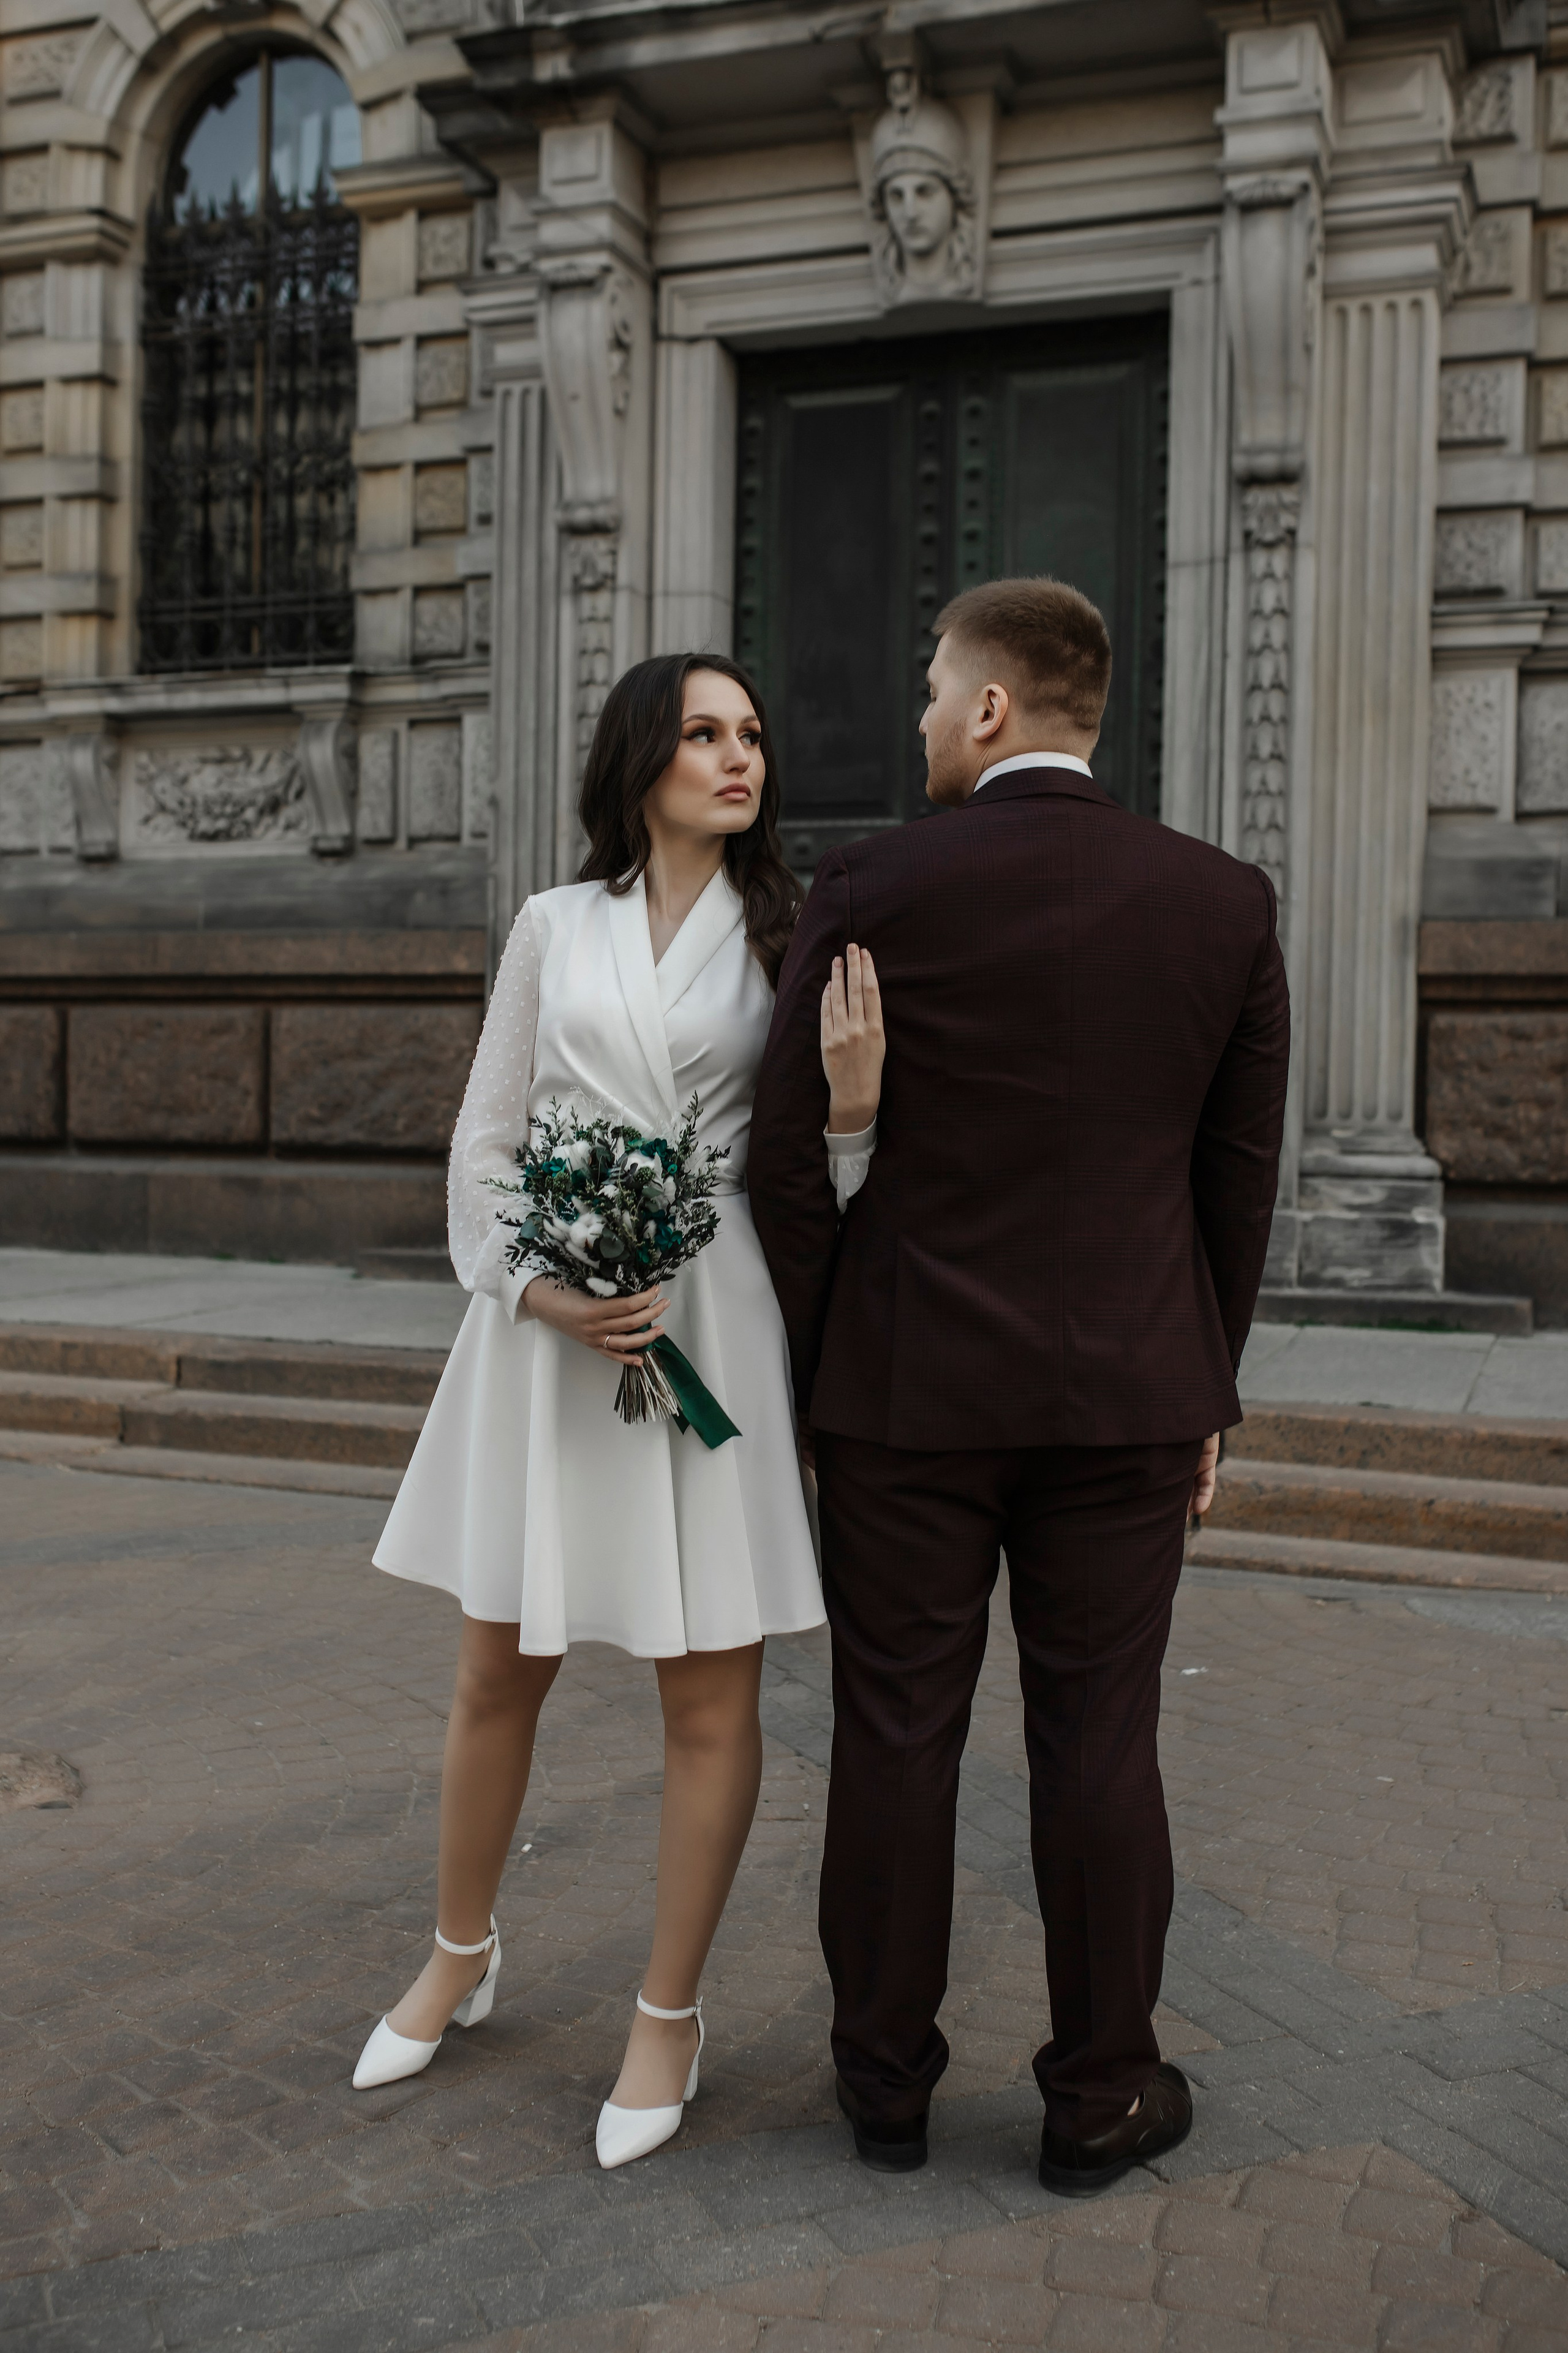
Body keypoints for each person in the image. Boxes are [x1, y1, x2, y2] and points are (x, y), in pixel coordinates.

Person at [748, 576, 1291, 2198]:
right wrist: (1206, 1390)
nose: (920, 714)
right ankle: (1104, 2096)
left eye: (932, 688)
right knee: (1101, 1744)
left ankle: (885, 2089)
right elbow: (1237, 1184)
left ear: (991, 708)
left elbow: (787, 1168)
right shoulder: (1222, 902)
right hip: (1130, 1393)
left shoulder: (871, 887)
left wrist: (816, 1381)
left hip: (905, 1396)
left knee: (896, 1734)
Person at [358, 653, 880, 2171]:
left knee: (705, 1693)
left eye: (755, 736)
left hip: (710, 1316)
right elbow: (487, 1143)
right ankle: (460, 1950)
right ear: (641, 758)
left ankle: (668, 2012)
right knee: (495, 1668)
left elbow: (819, 1189)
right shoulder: (551, 926)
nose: (740, 758)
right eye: (707, 734)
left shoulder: (792, 937)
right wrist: (542, 1290)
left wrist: (853, 1112)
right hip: (548, 1331)